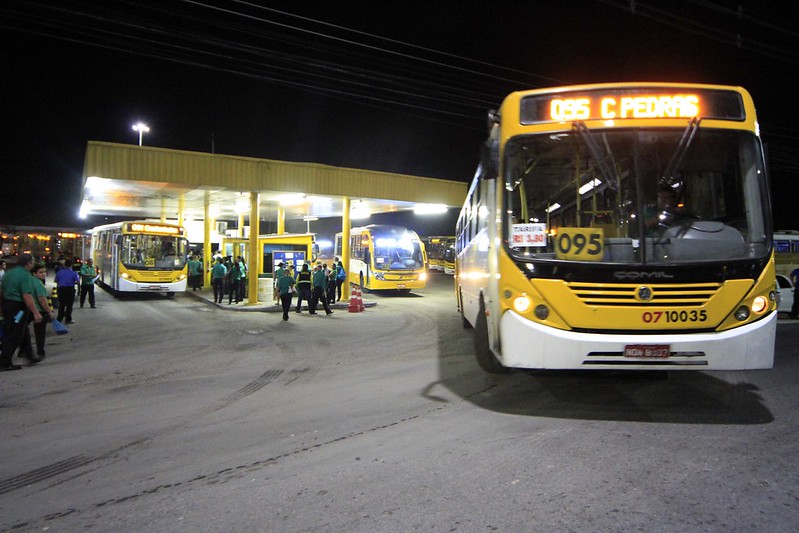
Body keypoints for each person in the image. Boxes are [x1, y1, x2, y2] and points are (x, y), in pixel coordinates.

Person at [0, 254, 43, 370]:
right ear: (28, 263)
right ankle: (5, 362)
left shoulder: (8, 273)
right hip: (17, 308)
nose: (33, 263)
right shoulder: (25, 275)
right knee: (14, 333)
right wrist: (36, 312)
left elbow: (1, 290)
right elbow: (27, 295)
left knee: (23, 330)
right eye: (32, 261)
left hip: (6, 304)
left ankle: (30, 355)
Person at [31, 264, 56, 358]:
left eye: (45, 272)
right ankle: (40, 352)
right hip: (39, 311)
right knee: (40, 333)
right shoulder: (38, 284)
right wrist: (49, 311)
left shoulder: (30, 281)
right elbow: (42, 299)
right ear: (34, 273)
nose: (44, 274)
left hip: (28, 309)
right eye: (40, 272)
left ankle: (24, 351)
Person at [55, 258, 80, 324]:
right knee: (69, 305)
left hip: (61, 289)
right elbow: (78, 282)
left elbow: (56, 280)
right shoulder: (74, 273)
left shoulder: (59, 272)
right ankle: (68, 319)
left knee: (61, 305)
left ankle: (59, 318)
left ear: (64, 265)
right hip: (69, 289)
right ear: (71, 265)